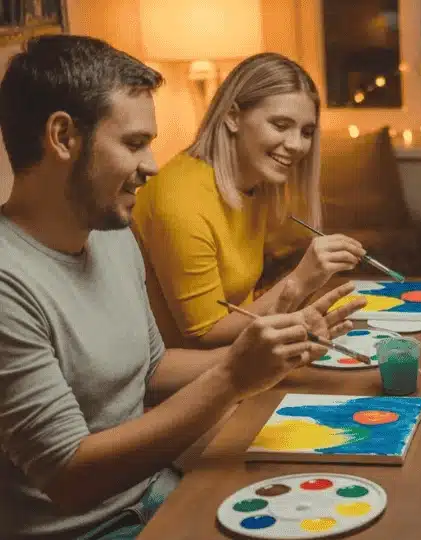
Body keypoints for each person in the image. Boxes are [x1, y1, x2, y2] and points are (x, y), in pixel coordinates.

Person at [0, 35, 365, 539]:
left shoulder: (110, 236)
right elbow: (68, 478)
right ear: (63, 137)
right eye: (134, 144)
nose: (152, 165)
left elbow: (152, 369)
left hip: (158, 490)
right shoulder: (9, 283)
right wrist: (232, 377)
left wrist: (277, 350)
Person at [131, 52, 366, 349]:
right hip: (193, 367)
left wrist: (310, 282)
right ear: (232, 117)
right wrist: (300, 280)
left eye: (306, 132)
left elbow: (244, 303)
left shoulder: (255, 183)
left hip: (244, 355)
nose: (296, 145)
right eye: (280, 125)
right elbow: (205, 335)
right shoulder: (180, 201)